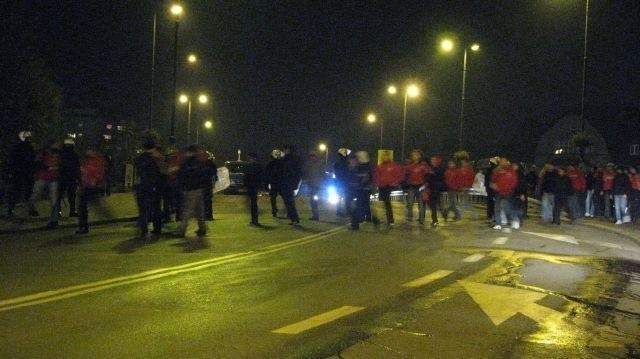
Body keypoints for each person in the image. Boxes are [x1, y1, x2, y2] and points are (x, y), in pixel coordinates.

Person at [134, 132, 166, 238]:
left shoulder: (140, 158)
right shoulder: (158, 157)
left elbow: (138, 172)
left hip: (143, 185)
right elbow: (162, 171)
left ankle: (144, 229)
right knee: (156, 207)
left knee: (143, 208)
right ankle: (157, 228)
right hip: (155, 185)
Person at [176, 145, 208, 237]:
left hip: (190, 189)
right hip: (199, 189)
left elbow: (181, 175)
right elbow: (203, 175)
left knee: (187, 211)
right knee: (199, 211)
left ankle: (182, 230)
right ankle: (202, 229)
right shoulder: (199, 163)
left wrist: (182, 186)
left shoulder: (186, 163)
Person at [76, 148, 110, 234]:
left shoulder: (96, 161)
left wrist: (96, 182)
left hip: (92, 187)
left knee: (84, 207)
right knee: (86, 206)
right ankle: (84, 226)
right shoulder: (88, 161)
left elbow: (100, 173)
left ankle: (83, 226)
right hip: (87, 186)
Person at [29, 141, 62, 229]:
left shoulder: (58, 154)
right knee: (35, 195)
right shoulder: (43, 153)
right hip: (43, 177)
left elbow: (61, 164)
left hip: (53, 179)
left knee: (54, 200)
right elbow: (36, 163)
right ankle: (31, 208)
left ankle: (54, 220)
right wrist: (46, 167)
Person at [5, 131, 35, 217]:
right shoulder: (25, 147)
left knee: (21, 192)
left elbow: (12, 160)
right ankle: (12, 209)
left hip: (22, 172)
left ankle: (12, 210)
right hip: (21, 172)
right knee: (22, 192)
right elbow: (12, 160)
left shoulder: (21, 147)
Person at [374, 150, 403, 225]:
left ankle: (390, 220)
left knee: (387, 203)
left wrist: (395, 182)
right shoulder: (380, 166)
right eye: (383, 156)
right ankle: (380, 219)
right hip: (381, 186)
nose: (384, 157)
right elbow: (377, 176)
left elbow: (399, 175)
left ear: (388, 156)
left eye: (386, 155)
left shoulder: (393, 165)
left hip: (388, 186)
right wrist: (377, 184)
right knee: (381, 203)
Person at [350, 151, 378, 230]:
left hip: (363, 189)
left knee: (360, 206)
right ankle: (372, 219)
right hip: (363, 189)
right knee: (363, 205)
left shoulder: (365, 168)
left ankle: (357, 223)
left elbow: (367, 178)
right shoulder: (364, 167)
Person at [491, 157, 518, 230]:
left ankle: (515, 220)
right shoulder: (497, 170)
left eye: (503, 161)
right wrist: (493, 185)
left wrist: (510, 189)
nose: (502, 163)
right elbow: (493, 179)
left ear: (506, 162)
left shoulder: (511, 170)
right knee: (497, 207)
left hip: (508, 192)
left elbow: (514, 181)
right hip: (498, 192)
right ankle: (498, 223)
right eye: (501, 162)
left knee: (507, 207)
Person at [404, 150, 430, 224]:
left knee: (421, 204)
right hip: (411, 186)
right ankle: (410, 217)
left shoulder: (423, 166)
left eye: (415, 155)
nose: (414, 156)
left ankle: (421, 219)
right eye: (413, 155)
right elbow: (406, 175)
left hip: (420, 187)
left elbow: (427, 176)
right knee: (409, 203)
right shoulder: (410, 166)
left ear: (419, 156)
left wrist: (425, 185)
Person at [58, 138, 80, 217]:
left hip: (63, 177)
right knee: (71, 195)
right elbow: (77, 167)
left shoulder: (61, 154)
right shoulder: (74, 155)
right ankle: (72, 210)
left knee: (60, 195)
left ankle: (58, 211)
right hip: (71, 177)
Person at [281, 145, 302, 225]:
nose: (284, 151)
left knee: (289, 202)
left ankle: (294, 219)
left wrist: (295, 185)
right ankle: (293, 218)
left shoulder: (290, 159)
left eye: (285, 149)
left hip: (288, 183)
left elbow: (295, 172)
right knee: (288, 202)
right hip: (287, 183)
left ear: (288, 150)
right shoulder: (289, 159)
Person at [304, 151, 325, 221]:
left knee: (314, 200)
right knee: (312, 201)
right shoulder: (309, 164)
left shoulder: (320, 164)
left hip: (317, 185)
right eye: (311, 156)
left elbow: (322, 174)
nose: (312, 157)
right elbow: (307, 174)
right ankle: (315, 215)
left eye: (313, 156)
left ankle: (316, 216)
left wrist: (321, 183)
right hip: (311, 184)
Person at [244, 152, 264, 226]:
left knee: (253, 204)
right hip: (254, 186)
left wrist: (246, 184)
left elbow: (247, 176)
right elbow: (261, 176)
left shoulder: (250, 166)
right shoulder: (258, 166)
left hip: (251, 186)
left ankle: (254, 220)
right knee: (253, 203)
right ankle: (254, 220)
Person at [426, 155, 446, 227]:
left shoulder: (439, 169)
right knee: (434, 204)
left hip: (437, 189)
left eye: (433, 160)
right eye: (431, 160)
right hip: (432, 189)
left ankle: (435, 220)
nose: (432, 161)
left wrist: (433, 173)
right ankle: (442, 214)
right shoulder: (432, 168)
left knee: (433, 205)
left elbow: (441, 177)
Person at [265, 149, 284, 217]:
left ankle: (274, 211)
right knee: (285, 197)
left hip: (274, 182)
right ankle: (276, 210)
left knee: (273, 198)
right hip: (279, 182)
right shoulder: (282, 163)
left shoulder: (271, 163)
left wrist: (266, 183)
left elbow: (267, 174)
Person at [334, 148, 351, 217]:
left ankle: (339, 210)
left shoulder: (337, 163)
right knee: (347, 197)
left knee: (339, 196)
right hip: (345, 181)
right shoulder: (346, 162)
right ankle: (347, 211)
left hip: (339, 181)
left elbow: (336, 172)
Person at [200, 151, 218, 221]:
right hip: (208, 184)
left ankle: (205, 215)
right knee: (208, 200)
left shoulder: (202, 164)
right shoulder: (211, 165)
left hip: (204, 184)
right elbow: (215, 175)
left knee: (204, 200)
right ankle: (209, 215)